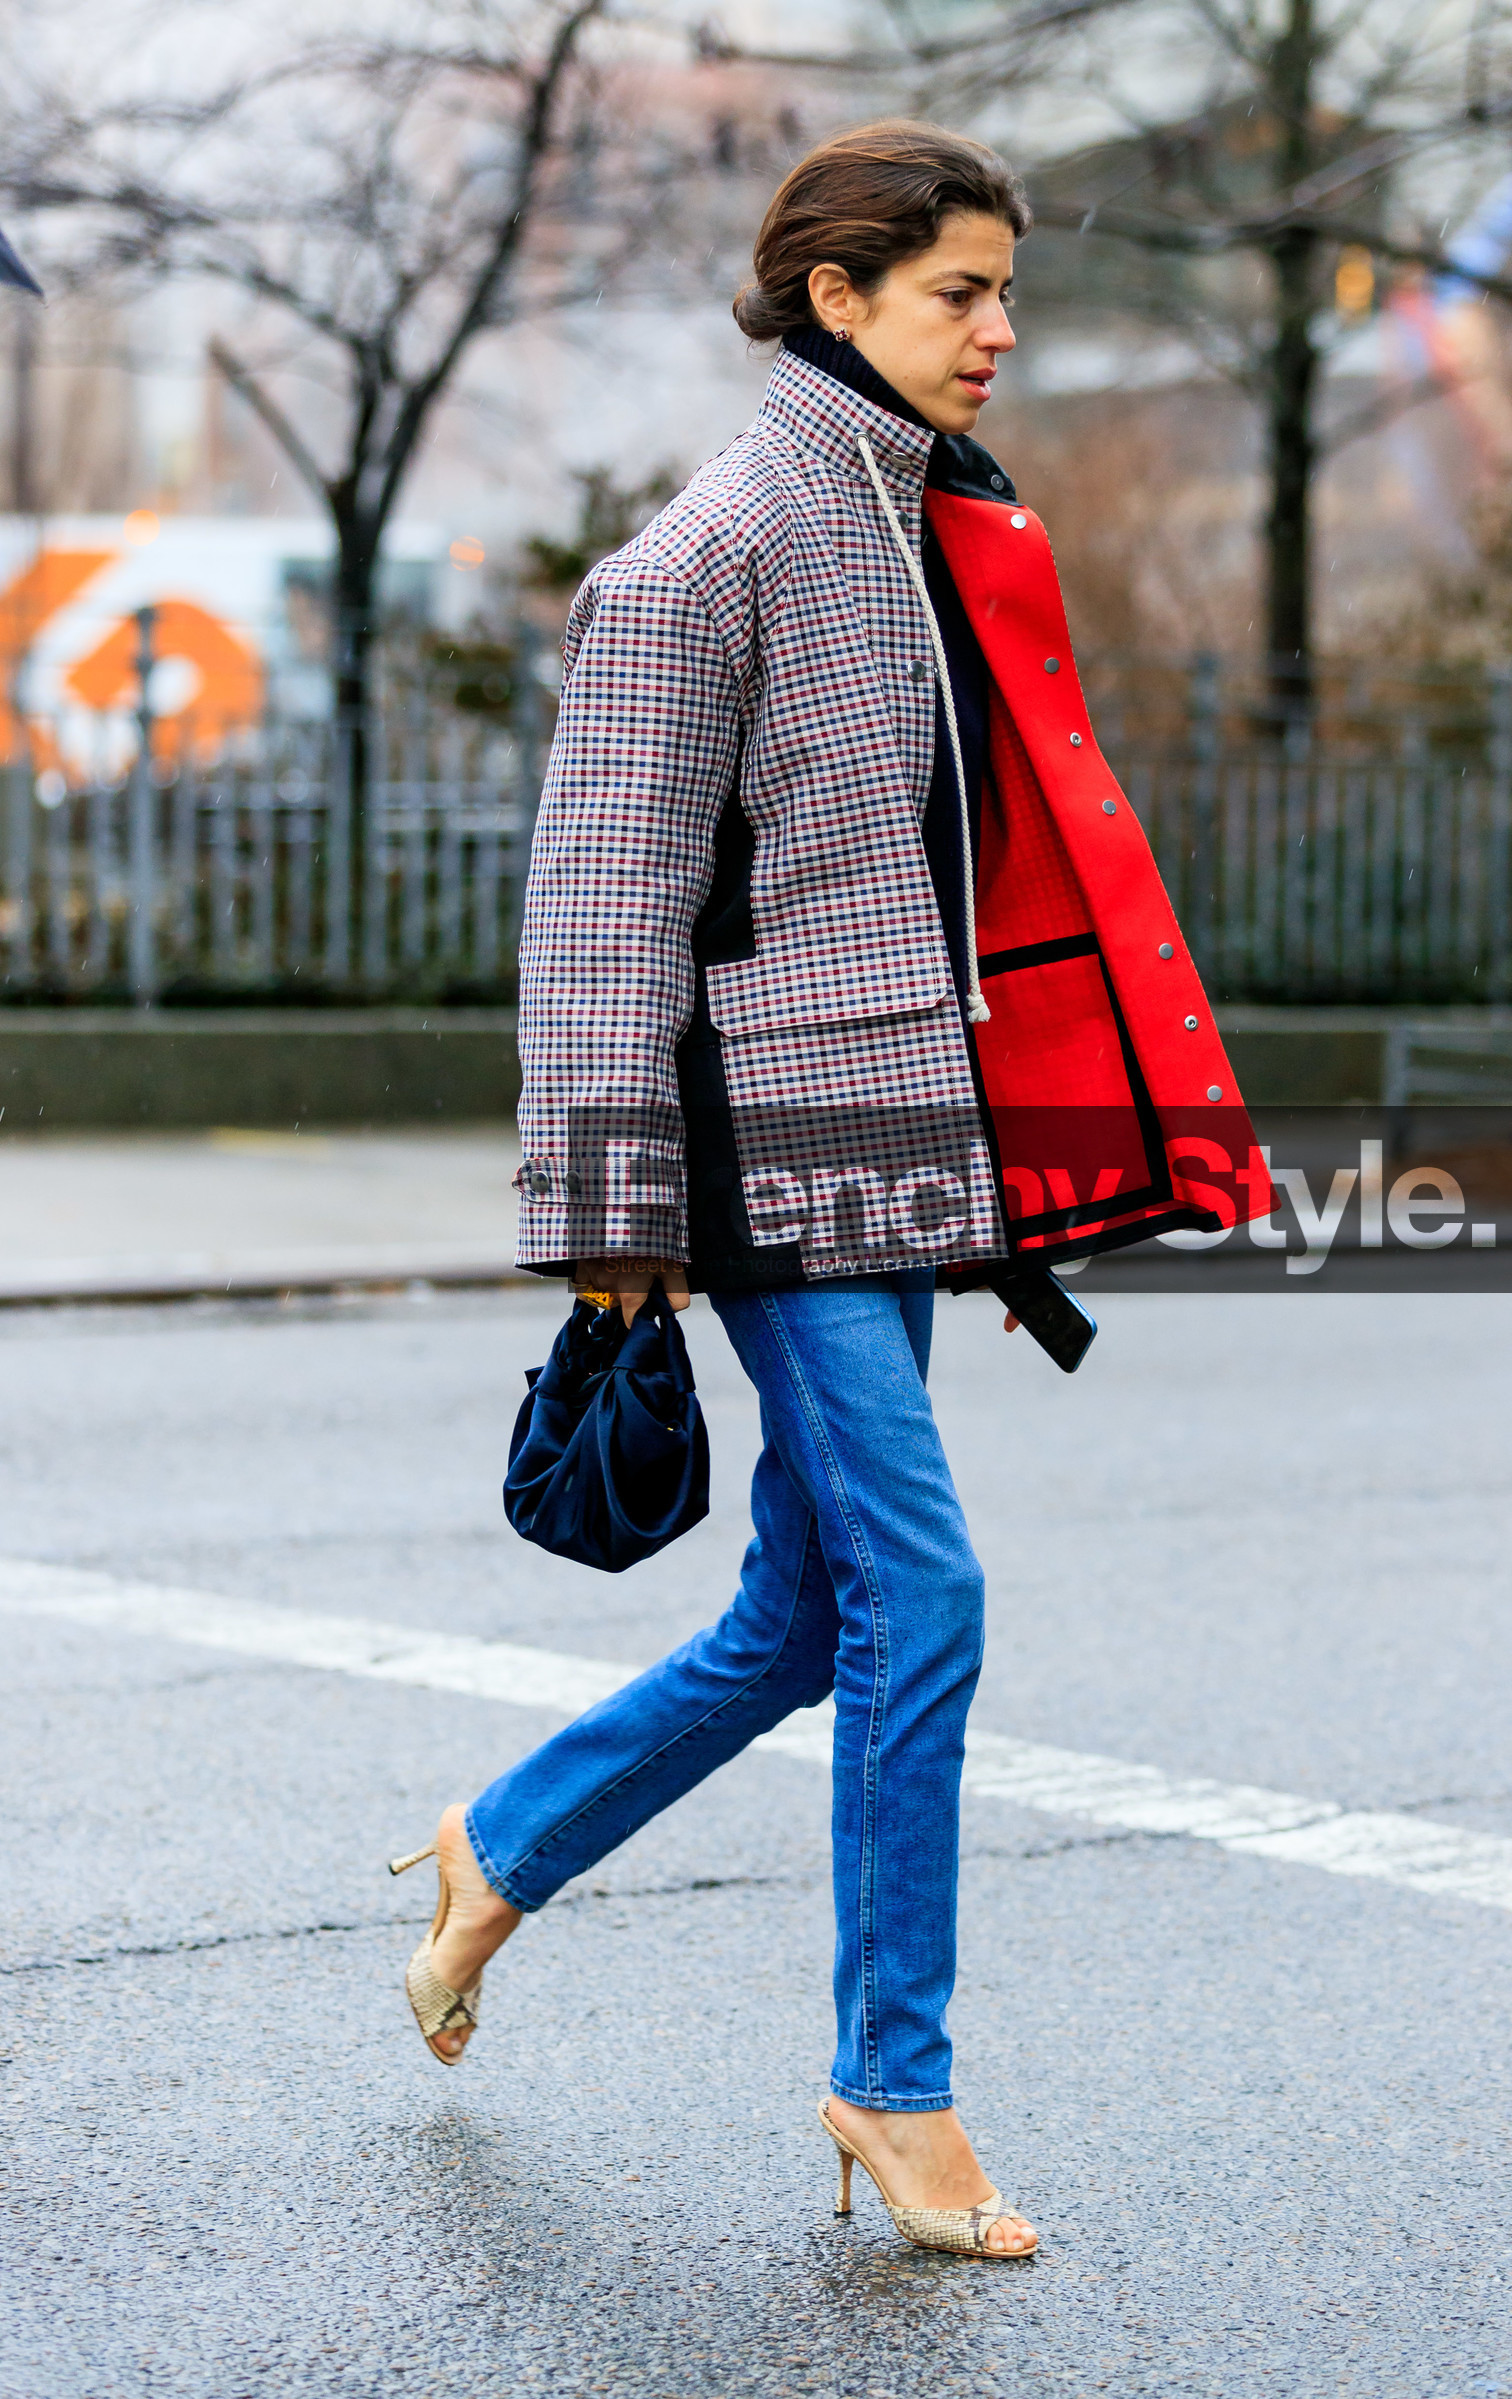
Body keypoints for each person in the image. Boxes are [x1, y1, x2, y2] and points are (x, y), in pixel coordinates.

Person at [391, 119, 1251, 2263]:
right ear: (836, 297)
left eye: (1000, 288)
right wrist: (610, 1224)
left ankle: (496, 1844)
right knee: (923, 1596)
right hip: (757, 1156)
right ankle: (893, 2083)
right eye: (956, 289)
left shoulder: (925, 523)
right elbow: (599, 910)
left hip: (897, 1144)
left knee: (806, 1613)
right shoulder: (704, 557)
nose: (996, 327)